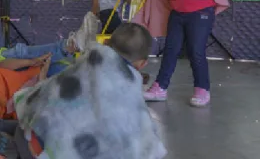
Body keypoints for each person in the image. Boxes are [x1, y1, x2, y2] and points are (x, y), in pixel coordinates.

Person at [12, 22, 167, 159]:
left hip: (27, 139)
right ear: (142, 64)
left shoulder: (86, 63)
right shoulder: (130, 96)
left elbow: (42, 94)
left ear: (106, 42)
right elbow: (147, 148)